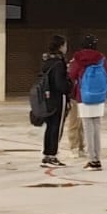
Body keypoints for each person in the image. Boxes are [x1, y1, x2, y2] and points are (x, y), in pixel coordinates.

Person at [69, 34, 107, 170]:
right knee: (96, 126)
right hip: (98, 96)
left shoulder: (78, 58)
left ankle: (92, 160)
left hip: (83, 96)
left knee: (88, 127)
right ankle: (97, 157)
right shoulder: (101, 58)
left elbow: (72, 75)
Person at [39, 36, 73, 166]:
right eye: (64, 45)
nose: (66, 48)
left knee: (49, 127)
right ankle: (52, 155)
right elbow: (60, 85)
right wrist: (69, 84)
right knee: (56, 127)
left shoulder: (47, 61)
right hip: (58, 98)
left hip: (47, 99)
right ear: (60, 46)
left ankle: (47, 154)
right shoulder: (59, 63)